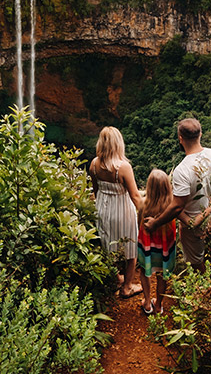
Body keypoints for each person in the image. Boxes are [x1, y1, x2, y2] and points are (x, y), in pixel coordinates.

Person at [144, 118, 211, 273]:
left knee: (198, 264)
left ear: (180, 138)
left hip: (193, 227)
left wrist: (155, 223)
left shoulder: (182, 170)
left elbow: (177, 206)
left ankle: (204, 291)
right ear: (200, 134)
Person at [89, 126, 142, 298]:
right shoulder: (123, 167)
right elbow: (135, 195)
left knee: (108, 246)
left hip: (103, 209)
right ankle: (127, 287)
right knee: (130, 249)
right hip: (122, 211)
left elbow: (95, 191)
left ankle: (116, 279)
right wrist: (148, 214)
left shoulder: (94, 164)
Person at [136, 169, 177, 314]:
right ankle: (158, 305)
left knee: (144, 271)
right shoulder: (171, 207)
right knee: (162, 275)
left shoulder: (143, 204)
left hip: (147, 247)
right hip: (164, 249)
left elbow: (139, 224)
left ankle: (147, 303)